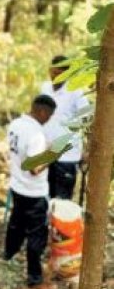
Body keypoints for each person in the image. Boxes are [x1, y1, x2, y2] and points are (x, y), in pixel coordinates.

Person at [5, 95, 57, 289]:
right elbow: (34, 169)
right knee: (37, 235)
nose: (49, 120)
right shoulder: (36, 134)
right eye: (49, 116)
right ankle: (35, 278)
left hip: (17, 186)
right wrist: (52, 154)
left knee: (16, 223)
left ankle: (8, 255)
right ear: (42, 111)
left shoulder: (16, 124)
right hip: (34, 192)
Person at [41, 55, 90, 200]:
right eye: (53, 72)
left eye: (59, 73)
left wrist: (87, 150)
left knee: (62, 200)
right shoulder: (44, 88)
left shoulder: (76, 92)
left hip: (67, 155)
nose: (55, 76)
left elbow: (87, 119)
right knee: (44, 197)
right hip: (45, 153)